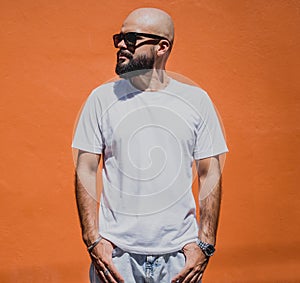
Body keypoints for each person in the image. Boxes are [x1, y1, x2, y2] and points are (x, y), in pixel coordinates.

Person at [72, 7, 228, 283]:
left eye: (131, 38)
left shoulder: (196, 101)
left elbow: (209, 172)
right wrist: (93, 240)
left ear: (162, 46)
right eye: (119, 38)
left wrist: (205, 244)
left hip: (179, 259)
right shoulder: (101, 99)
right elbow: (86, 168)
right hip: (116, 259)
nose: (121, 44)